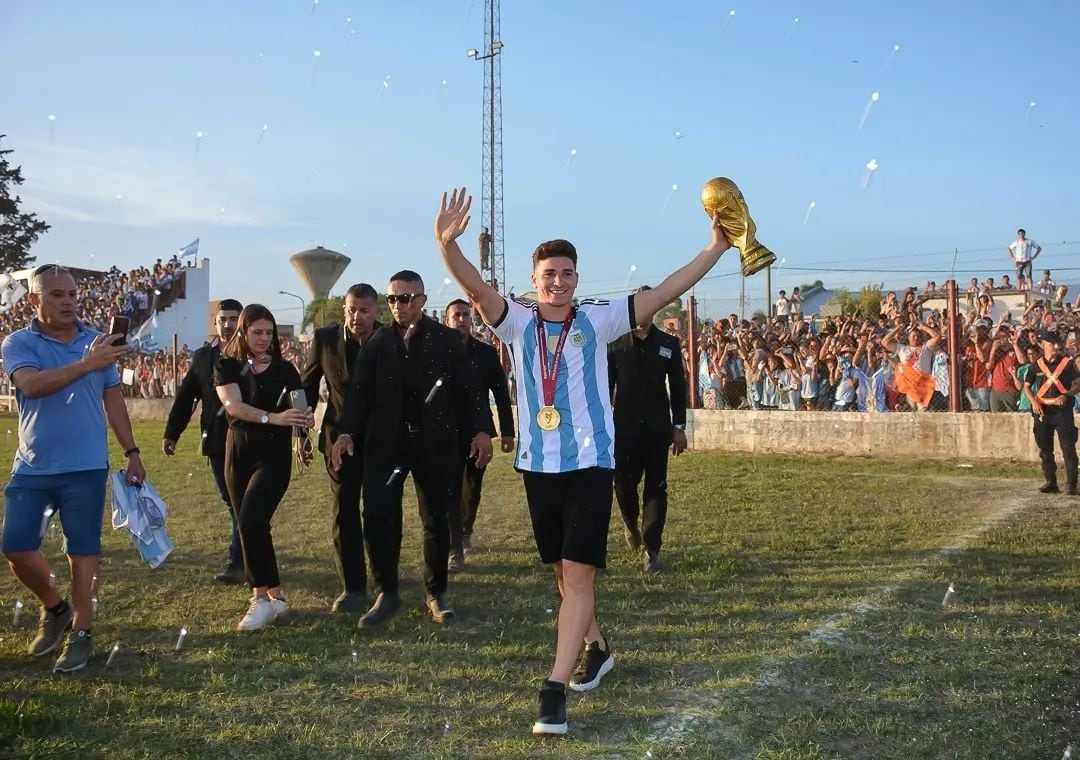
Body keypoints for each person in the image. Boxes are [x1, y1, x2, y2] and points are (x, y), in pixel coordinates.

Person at [433, 186, 731, 736]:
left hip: (593, 462)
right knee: (562, 575)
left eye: (567, 273)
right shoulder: (515, 320)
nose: (558, 281)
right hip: (536, 464)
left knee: (578, 571)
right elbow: (474, 287)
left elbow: (668, 289)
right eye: (549, 273)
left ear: (577, 278)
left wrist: (715, 247)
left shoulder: (601, 318)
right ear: (533, 280)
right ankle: (597, 647)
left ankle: (553, 690)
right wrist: (446, 245)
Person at [1, 265, 146, 672]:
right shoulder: (18, 342)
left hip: (85, 466)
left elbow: (113, 400)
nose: (68, 302)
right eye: (57, 295)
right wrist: (88, 363)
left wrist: (132, 451)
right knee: (15, 545)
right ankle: (55, 607)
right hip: (33, 466)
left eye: (72, 294)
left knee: (83, 551)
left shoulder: (96, 343)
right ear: (34, 299)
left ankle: (82, 632)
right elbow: (32, 385)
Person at [331, 271, 493, 629]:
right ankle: (386, 592)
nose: (397, 306)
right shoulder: (376, 343)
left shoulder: (447, 341)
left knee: (436, 518)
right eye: (391, 299)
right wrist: (346, 435)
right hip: (387, 445)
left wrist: (482, 431)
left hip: (435, 444)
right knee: (377, 516)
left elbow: (469, 391)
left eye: (405, 298)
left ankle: (436, 591)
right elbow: (358, 395)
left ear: (421, 300)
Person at [214, 304, 314, 631]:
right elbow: (234, 406)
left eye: (269, 332)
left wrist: (303, 429)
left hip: (273, 455)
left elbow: (298, 407)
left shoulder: (285, 369)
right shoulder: (227, 366)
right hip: (238, 451)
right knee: (251, 525)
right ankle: (276, 597)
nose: (263, 338)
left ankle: (258, 599)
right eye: (257, 331)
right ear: (243, 331)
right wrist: (274, 417)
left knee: (251, 518)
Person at [300, 283, 382, 613]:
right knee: (344, 509)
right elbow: (304, 387)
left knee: (379, 512)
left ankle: (383, 577)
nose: (356, 316)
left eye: (363, 310)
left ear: (376, 311)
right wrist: (299, 429)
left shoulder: (388, 340)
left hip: (379, 441)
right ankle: (352, 587)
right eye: (350, 309)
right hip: (337, 441)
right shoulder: (324, 339)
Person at [163, 298, 244, 584]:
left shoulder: (252, 355)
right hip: (217, 440)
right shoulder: (202, 357)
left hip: (250, 439)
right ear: (216, 322)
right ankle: (245, 554)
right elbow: (187, 397)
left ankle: (239, 560)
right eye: (223, 319)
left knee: (242, 502)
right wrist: (172, 433)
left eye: (233, 319)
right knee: (232, 500)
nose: (227, 324)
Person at [608, 287, 688, 572]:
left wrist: (679, 426)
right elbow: (606, 389)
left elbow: (678, 388)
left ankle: (651, 549)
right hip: (624, 429)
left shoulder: (668, 343)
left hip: (657, 429)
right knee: (623, 485)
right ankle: (631, 526)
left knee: (656, 488)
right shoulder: (615, 343)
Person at [443, 298, 514, 570]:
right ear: (447, 320)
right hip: (445, 433)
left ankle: (465, 531)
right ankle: (454, 548)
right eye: (455, 315)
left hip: (478, 433)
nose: (460, 319)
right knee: (449, 490)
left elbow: (501, 394)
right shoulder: (436, 352)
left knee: (471, 488)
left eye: (464, 315)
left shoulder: (485, 354)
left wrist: (507, 432)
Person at [1023, 329, 1080, 495]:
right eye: (1051, 342)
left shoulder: (1067, 364)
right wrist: (1034, 402)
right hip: (1042, 411)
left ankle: (1071, 484)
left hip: (1062, 411)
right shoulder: (1036, 365)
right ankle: (1050, 481)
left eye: (1056, 342)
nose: (1056, 345)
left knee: (1068, 447)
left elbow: (1078, 384)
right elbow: (1026, 387)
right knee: (1045, 448)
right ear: (1043, 345)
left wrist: (1066, 394)